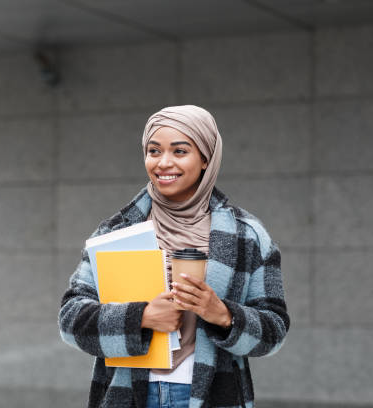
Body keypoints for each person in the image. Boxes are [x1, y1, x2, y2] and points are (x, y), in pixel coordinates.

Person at [58, 105, 289, 408]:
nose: (163, 163)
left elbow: (275, 330)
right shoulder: (116, 231)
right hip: (126, 395)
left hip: (214, 397)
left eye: (180, 151)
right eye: (154, 151)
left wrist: (222, 314)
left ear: (206, 158)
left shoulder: (247, 236)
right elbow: (71, 320)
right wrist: (141, 317)